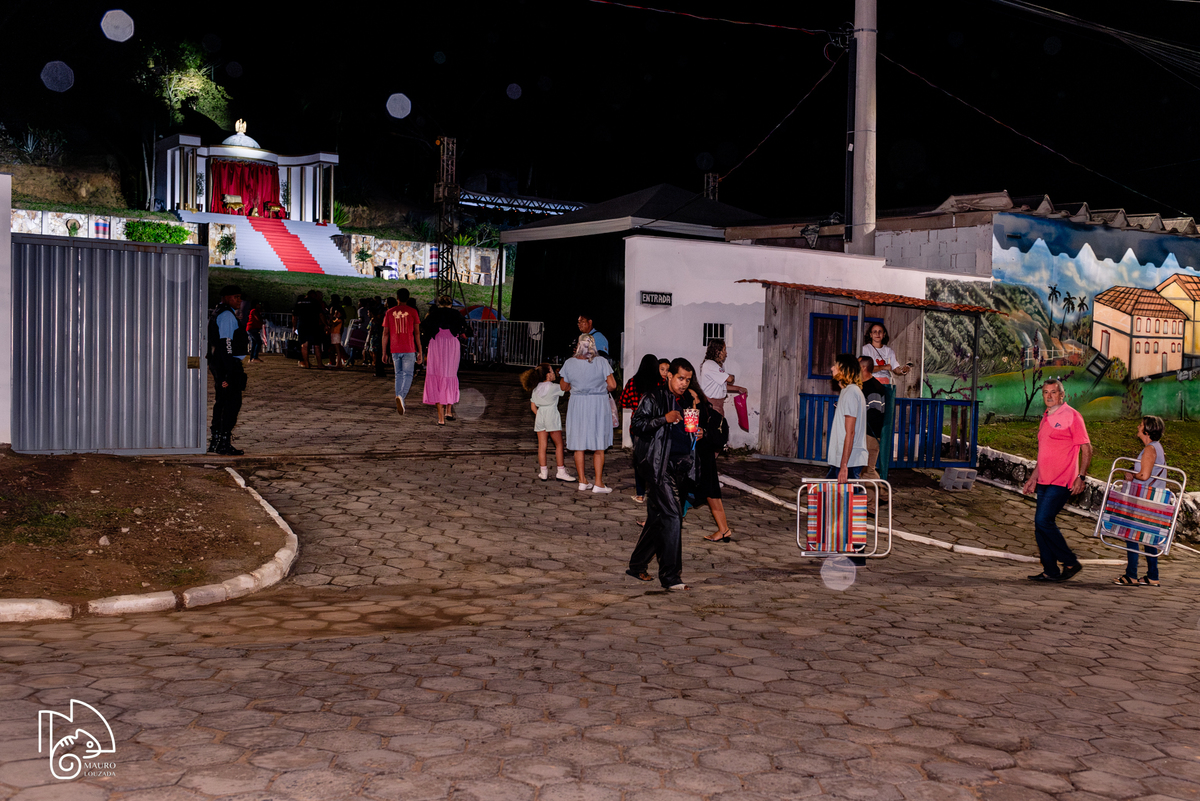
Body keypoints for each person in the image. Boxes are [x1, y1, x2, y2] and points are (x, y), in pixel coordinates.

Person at [627, 358, 702, 591]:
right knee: (672, 515)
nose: (684, 383)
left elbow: (684, 431)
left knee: (658, 518)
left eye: (688, 379)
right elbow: (637, 424)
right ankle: (671, 577)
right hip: (657, 465)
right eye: (680, 378)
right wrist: (663, 419)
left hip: (679, 465)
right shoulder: (653, 397)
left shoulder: (688, 399)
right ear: (668, 375)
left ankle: (637, 564)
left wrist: (698, 433)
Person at [1021, 379, 1092, 582]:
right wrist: (1033, 478)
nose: (1049, 396)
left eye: (1054, 392)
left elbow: (1087, 448)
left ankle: (1070, 562)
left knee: (1043, 521)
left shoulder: (1072, 416)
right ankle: (1050, 570)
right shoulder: (1046, 417)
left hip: (1062, 481)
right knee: (1040, 525)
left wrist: (1082, 477)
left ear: (1062, 395)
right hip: (1044, 480)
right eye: (1045, 392)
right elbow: (1044, 453)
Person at [825, 353, 870, 566]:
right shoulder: (847, 392)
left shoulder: (851, 392)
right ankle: (851, 552)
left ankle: (854, 552)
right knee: (841, 504)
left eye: (835, 365)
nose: (832, 368)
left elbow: (850, 433)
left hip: (848, 461)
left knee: (845, 505)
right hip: (844, 460)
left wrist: (844, 465)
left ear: (845, 369)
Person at [560, 334, 618, 492]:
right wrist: (599, 388)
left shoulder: (570, 363)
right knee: (599, 444)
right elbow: (612, 385)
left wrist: (577, 387)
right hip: (597, 403)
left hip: (578, 404)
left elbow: (563, 387)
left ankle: (582, 481)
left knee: (579, 444)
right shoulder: (601, 362)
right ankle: (598, 483)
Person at [1115, 415, 1167, 587]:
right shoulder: (1156, 448)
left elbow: (1144, 475)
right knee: (1148, 537)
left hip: (1144, 498)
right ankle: (1153, 575)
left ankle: (1131, 574)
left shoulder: (1150, 449)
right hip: (1153, 498)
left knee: (1133, 535)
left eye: (1141, 425)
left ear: (1146, 430)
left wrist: (1131, 475)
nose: (1138, 427)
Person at [207, 285, 249, 456]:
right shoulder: (226, 315)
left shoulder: (219, 312)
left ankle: (216, 440)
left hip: (220, 363)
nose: (238, 300)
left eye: (240, 297)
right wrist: (229, 373)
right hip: (227, 364)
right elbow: (226, 344)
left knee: (222, 402)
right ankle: (223, 442)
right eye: (235, 297)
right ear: (225, 297)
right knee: (231, 404)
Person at [688, 382, 732, 542]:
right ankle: (655, 524)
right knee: (676, 494)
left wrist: (704, 433)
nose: (691, 400)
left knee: (712, 495)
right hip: (687, 461)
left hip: (703, 461)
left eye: (693, 397)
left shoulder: (709, 415)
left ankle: (724, 529)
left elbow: (718, 439)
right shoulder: (682, 411)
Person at [620, 354, 664, 503]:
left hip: (637, 426)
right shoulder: (661, 383)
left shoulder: (632, 382)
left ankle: (640, 493)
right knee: (657, 459)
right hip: (656, 425)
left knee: (640, 460)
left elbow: (623, 401)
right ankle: (656, 493)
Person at [521, 363, 576, 482]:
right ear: (548, 375)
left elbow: (533, 407)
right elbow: (567, 388)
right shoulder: (554, 387)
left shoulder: (536, 389)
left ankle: (543, 472)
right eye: (551, 371)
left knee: (542, 446)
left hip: (540, 416)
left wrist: (540, 415)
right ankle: (561, 471)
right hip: (551, 415)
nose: (554, 373)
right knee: (559, 444)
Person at [422, 295, 468, 425]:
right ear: (451, 304)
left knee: (437, 376)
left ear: (438, 303)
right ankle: (448, 410)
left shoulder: (433, 314)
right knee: (450, 375)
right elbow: (466, 330)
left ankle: (440, 418)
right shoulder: (456, 314)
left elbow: (424, 327)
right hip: (451, 345)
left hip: (436, 344)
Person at [383, 288, 424, 415]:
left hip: (395, 348)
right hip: (409, 348)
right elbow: (417, 333)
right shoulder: (413, 312)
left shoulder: (389, 312)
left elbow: (385, 334)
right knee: (408, 374)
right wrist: (420, 351)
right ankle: (401, 397)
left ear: (397, 298)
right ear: (408, 297)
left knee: (398, 375)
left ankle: (399, 398)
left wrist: (384, 352)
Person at [698, 338, 747, 418]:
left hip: (718, 404)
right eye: (724, 350)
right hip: (712, 405)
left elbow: (722, 386)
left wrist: (739, 388)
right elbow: (730, 379)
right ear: (717, 351)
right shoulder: (710, 365)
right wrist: (731, 376)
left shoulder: (716, 366)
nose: (726, 353)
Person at [859, 356, 887, 481]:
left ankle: (885, 495)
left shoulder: (873, 387)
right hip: (866, 433)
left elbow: (874, 414)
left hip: (869, 434)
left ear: (863, 368)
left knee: (868, 470)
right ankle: (873, 499)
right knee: (864, 471)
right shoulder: (864, 385)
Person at [293, 290, 325, 368]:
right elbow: (320, 314)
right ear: (313, 295)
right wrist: (325, 324)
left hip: (302, 325)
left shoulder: (299, 303)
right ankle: (320, 364)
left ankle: (307, 363)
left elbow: (294, 316)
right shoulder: (315, 302)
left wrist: (294, 326)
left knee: (304, 345)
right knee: (317, 345)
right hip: (313, 325)